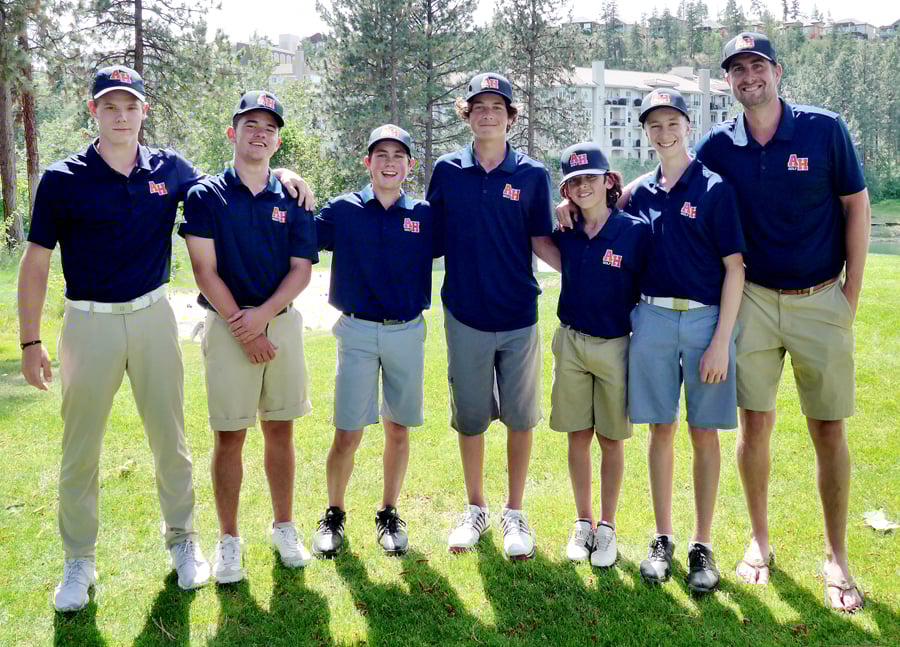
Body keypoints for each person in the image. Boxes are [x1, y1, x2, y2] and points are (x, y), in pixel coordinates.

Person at [17, 68, 312, 611]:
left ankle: (184, 542)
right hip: (88, 320)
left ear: (143, 112)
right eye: (110, 106)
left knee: (170, 442)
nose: (121, 115)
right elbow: (36, 262)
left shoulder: (169, 169)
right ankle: (78, 560)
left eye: (130, 105)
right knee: (80, 450)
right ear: (94, 112)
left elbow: (232, 180)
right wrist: (31, 341)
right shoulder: (62, 178)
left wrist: (284, 169)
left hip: (153, 317)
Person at [694, 32, 870, 612]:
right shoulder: (719, 146)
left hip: (822, 298)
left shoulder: (824, 129)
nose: (749, 77)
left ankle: (836, 556)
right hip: (754, 303)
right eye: (737, 69)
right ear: (728, 81)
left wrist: (851, 292)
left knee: (828, 429)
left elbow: (856, 204)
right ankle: (759, 542)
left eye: (757, 66)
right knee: (755, 426)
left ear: (777, 71)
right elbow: (677, 187)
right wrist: (606, 195)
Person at [180, 90, 318, 582]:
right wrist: (245, 324)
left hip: (280, 323)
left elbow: (301, 269)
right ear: (232, 132)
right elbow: (204, 269)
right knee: (230, 434)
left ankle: (285, 527)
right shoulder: (206, 194)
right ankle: (229, 540)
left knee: (281, 429)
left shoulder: (293, 195)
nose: (259, 133)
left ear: (278, 140)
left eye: (269, 127)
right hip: (226, 324)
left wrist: (264, 316)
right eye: (250, 124)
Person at [426, 72, 557, 560]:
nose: (487, 114)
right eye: (478, 106)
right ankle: (475, 508)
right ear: (468, 114)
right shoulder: (447, 170)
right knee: (472, 418)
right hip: (465, 313)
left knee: (521, 418)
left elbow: (543, 239)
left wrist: (589, 267)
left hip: (519, 314)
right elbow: (427, 232)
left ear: (510, 117)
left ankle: (514, 511)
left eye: (496, 107)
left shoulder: (531, 175)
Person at [627, 89, 745, 594]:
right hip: (652, 318)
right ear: (646, 132)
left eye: (671, 121)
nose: (664, 132)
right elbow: (597, 206)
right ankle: (662, 538)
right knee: (660, 430)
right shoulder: (640, 193)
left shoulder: (715, 188)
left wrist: (721, 341)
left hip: (704, 323)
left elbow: (735, 270)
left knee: (704, 434)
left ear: (687, 126)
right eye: (654, 124)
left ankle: (702, 544)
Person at [310, 124, 438, 557]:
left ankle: (388, 512)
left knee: (398, 428)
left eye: (397, 156)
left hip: (407, 330)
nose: (388, 162)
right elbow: (299, 231)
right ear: (367, 162)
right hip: (358, 331)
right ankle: (334, 514)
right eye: (380, 154)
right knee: (347, 432)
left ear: (409, 165)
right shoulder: (343, 210)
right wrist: (291, 178)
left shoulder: (423, 215)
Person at [545, 143, 649, 567]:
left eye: (591, 177)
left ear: (608, 181)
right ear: (567, 190)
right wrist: (557, 208)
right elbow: (540, 240)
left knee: (611, 439)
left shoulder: (634, 231)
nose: (583, 186)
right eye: (574, 181)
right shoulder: (566, 229)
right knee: (577, 436)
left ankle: (607, 526)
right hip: (570, 341)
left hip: (615, 344)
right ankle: (583, 521)